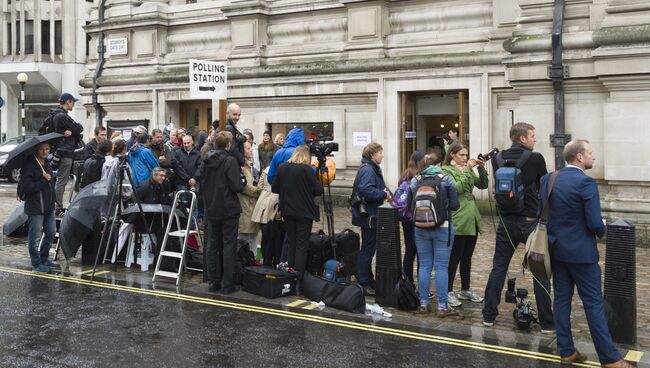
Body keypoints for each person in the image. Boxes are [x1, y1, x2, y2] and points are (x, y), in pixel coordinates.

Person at [541, 140, 630, 368]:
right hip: (582, 254)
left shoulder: (548, 179)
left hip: (556, 250)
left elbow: (542, 213)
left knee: (561, 300)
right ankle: (610, 359)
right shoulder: (586, 183)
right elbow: (594, 224)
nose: (594, 157)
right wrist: (602, 225)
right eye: (590, 153)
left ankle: (567, 351)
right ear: (579, 157)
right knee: (593, 303)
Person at [482, 122, 554, 332]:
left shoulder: (497, 159)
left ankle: (488, 315)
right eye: (532, 136)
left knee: (498, 268)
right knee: (540, 271)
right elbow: (545, 186)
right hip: (531, 222)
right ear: (522, 138)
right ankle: (548, 323)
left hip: (506, 222)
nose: (535, 139)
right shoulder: (536, 158)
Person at [411, 152, 460, 317]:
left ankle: (423, 304)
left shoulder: (415, 180)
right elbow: (455, 205)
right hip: (443, 227)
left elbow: (408, 204)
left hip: (420, 227)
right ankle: (442, 306)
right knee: (441, 267)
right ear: (438, 165)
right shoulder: (446, 179)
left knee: (424, 266)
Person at [441, 143, 488, 308]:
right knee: (455, 257)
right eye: (461, 155)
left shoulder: (464, 168)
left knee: (467, 256)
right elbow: (456, 189)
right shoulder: (446, 170)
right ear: (452, 154)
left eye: (466, 155)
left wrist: (481, 169)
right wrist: (467, 169)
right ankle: (447, 291)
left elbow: (482, 185)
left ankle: (465, 289)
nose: (465, 158)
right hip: (459, 217)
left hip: (471, 217)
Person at [198, 131, 244, 294]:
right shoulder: (230, 160)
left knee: (212, 245)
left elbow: (200, 179)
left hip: (211, 207)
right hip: (228, 208)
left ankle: (213, 282)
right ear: (228, 144)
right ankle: (227, 284)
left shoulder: (205, 159)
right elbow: (236, 186)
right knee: (229, 245)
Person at [272, 146, 323, 292]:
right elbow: (318, 189)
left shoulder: (283, 168)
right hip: (304, 212)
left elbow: (275, 188)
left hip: (288, 211)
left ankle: (289, 276)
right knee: (302, 245)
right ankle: (298, 279)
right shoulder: (306, 170)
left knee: (292, 243)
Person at [350, 142, 391, 296]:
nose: (383, 155)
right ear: (373, 154)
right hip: (369, 216)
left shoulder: (370, 168)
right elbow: (366, 190)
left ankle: (368, 279)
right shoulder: (368, 170)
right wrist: (383, 194)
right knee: (367, 250)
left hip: (370, 215)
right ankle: (363, 282)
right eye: (380, 152)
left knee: (368, 248)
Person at [20, 142, 57, 272]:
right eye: (42, 149)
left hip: (49, 206)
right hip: (35, 207)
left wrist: (54, 199)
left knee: (51, 233)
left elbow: (50, 184)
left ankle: (44, 257)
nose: (45, 151)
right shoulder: (30, 165)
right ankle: (36, 262)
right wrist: (43, 181)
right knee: (35, 236)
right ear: (36, 150)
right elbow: (26, 187)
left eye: (47, 149)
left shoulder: (47, 163)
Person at [394, 150, 426, 288]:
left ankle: (408, 282)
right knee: (420, 254)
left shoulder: (405, 175)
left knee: (409, 251)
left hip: (406, 220)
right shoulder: (419, 177)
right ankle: (421, 285)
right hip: (416, 219)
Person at [50, 93, 84, 211]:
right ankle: (57, 206)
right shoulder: (62, 116)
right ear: (68, 102)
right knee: (62, 180)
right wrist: (74, 131)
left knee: (61, 179)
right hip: (65, 152)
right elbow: (79, 128)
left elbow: (76, 129)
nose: (73, 104)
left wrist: (73, 131)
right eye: (73, 102)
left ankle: (56, 204)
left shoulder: (57, 114)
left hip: (62, 151)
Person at [252, 165, 284, 267]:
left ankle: (266, 260)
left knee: (265, 235)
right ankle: (275, 261)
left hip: (264, 200)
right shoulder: (284, 168)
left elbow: (259, 187)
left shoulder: (267, 169)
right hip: (276, 200)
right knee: (276, 236)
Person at [238, 140, 263, 253]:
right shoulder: (241, 167)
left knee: (252, 236)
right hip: (245, 205)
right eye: (248, 148)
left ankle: (251, 260)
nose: (251, 150)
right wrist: (260, 191)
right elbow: (245, 187)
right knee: (244, 236)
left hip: (250, 205)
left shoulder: (248, 164)